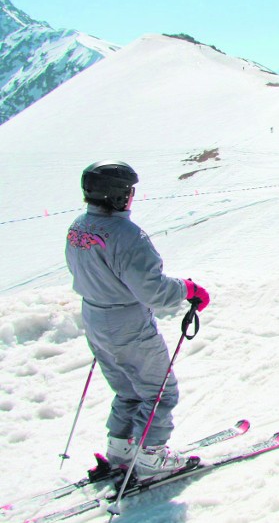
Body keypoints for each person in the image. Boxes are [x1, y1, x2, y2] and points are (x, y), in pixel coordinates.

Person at [65, 161, 210, 479]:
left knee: (128, 389)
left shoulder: (78, 227)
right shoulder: (127, 236)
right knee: (160, 391)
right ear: (117, 195)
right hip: (127, 323)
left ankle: (121, 447)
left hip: (93, 317)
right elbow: (154, 291)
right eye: (129, 191)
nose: (132, 196)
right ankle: (151, 456)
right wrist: (188, 289)